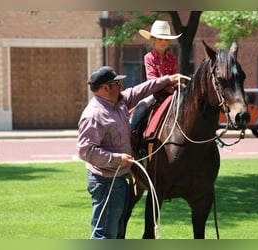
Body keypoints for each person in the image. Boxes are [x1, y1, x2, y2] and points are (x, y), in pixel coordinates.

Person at [76, 66, 183, 239]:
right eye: (117, 83)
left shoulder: (119, 102)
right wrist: (117, 159)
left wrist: (167, 80)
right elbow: (85, 151)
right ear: (105, 88)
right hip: (105, 182)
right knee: (104, 235)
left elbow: (139, 90)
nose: (121, 85)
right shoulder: (94, 115)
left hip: (117, 181)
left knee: (117, 234)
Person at [129, 20, 182, 132]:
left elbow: (177, 77)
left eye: (166, 39)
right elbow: (151, 79)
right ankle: (131, 133)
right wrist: (166, 85)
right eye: (160, 39)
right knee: (141, 106)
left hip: (173, 92)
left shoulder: (173, 59)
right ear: (153, 40)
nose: (163, 42)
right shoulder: (149, 58)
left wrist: (176, 86)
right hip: (154, 93)